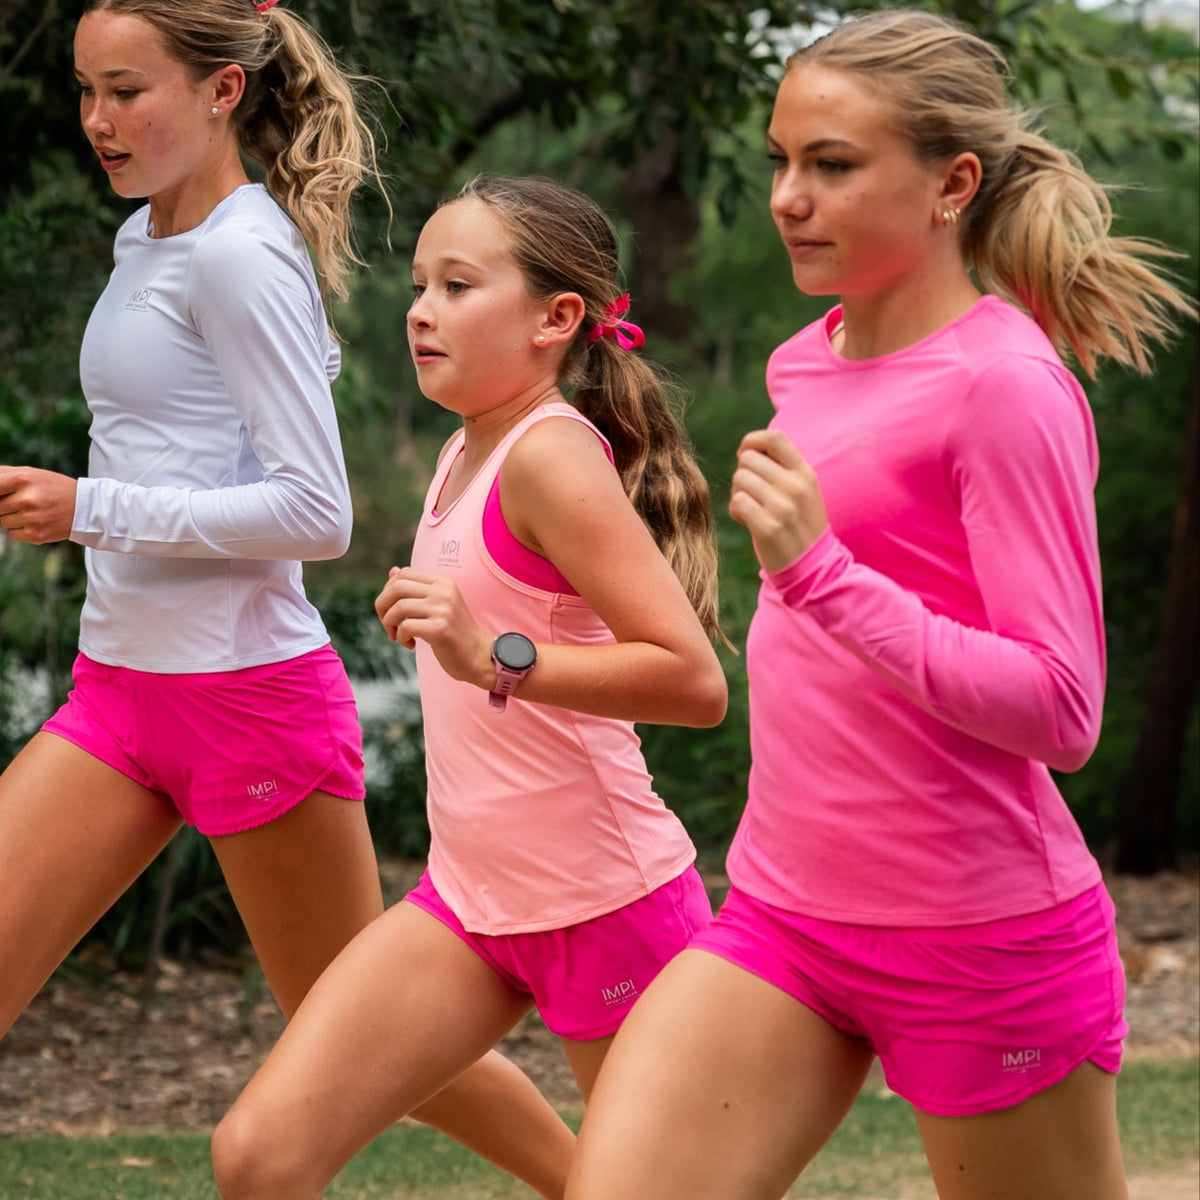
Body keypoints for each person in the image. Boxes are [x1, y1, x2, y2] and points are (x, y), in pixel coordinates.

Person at [564, 10, 1198, 1200]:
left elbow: (1063, 710)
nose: (789, 198)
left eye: (833, 165)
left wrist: (823, 576)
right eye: (781, 161)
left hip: (980, 941)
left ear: (953, 182)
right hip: (785, 915)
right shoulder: (806, 359)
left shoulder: (1006, 388)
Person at [0, 2, 581, 1191]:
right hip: (118, 692)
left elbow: (318, 513)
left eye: (128, 90)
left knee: (359, 1034)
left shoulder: (238, 251)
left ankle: (602, 1182)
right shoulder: (149, 236)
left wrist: (88, 506)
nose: (97, 122)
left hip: (246, 701)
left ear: (221, 92)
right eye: (85, 90)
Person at [207, 174, 729, 1199]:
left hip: (609, 903)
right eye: (417, 285)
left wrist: (497, 656)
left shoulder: (551, 460)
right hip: (471, 901)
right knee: (260, 1157)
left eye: (456, 285)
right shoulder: (462, 447)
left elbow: (693, 681)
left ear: (556, 318)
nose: (419, 309)